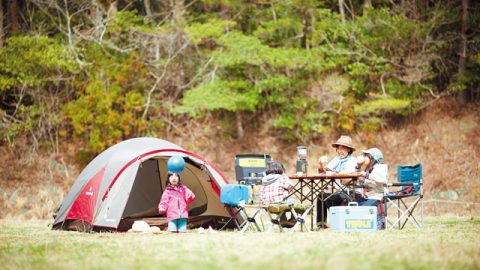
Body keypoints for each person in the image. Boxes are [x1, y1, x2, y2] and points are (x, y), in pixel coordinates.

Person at [316, 135, 358, 228]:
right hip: (336, 189)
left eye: (343, 148)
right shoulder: (336, 160)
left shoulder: (353, 161)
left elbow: (347, 176)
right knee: (321, 195)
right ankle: (321, 223)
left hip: (349, 190)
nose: (340, 151)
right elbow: (325, 171)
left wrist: (334, 173)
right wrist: (321, 164)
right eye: (338, 148)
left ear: (349, 150)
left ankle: (336, 219)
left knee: (326, 196)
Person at [356, 148, 388, 229]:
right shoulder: (368, 169)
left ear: (373, 158)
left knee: (363, 209)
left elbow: (382, 180)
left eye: (366, 156)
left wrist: (366, 175)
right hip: (368, 196)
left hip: (378, 196)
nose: (364, 157)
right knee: (354, 206)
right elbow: (360, 181)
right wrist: (358, 167)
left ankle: (378, 223)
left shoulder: (380, 167)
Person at [260, 161, 296, 227]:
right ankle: (293, 220)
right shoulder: (281, 178)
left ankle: (283, 220)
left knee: (280, 199)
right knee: (293, 202)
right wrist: (284, 175)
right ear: (281, 170)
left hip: (267, 206)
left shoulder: (264, 179)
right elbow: (291, 186)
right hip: (279, 205)